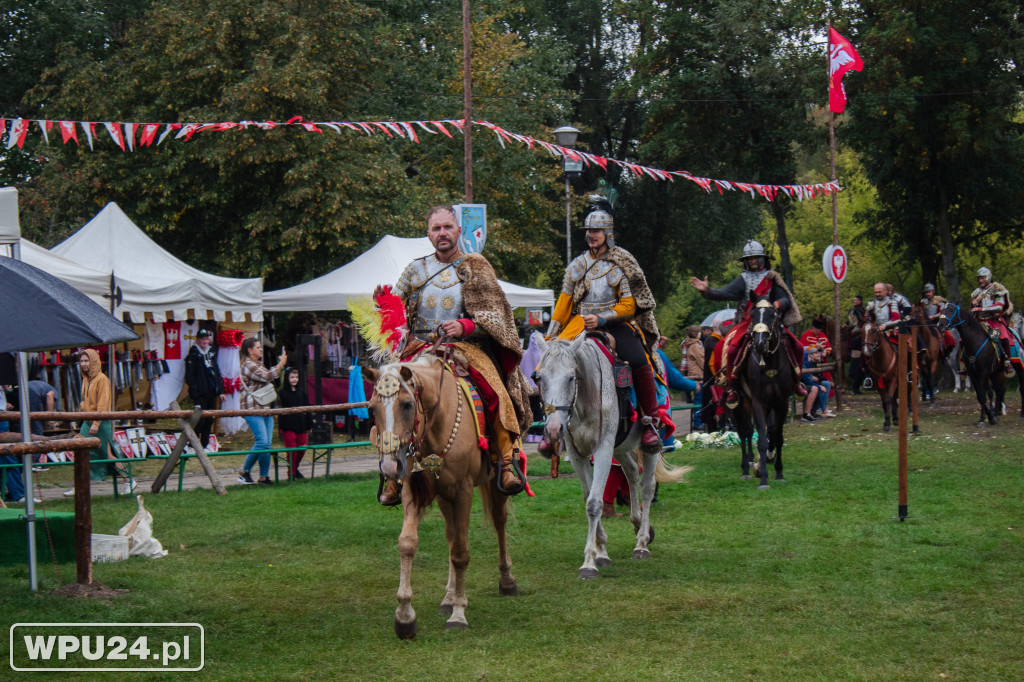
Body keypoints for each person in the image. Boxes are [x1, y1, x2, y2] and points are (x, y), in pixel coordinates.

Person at [377, 204, 532, 505]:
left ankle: (504, 463)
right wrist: (385, 311)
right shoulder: (414, 270)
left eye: (448, 227)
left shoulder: (476, 266)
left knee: (493, 389)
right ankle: (391, 473)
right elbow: (393, 311)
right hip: (416, 349)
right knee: (387, 396)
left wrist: (465, 325)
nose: (442, 233)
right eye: (436, 229)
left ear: (459, 231)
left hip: (464, 348)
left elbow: (498, 316)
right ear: (429, 234)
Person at [545, 196, 663, 452]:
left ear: (607, 232)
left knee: (639, 358)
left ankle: (650, 421)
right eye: (588, 231)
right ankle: (551, 426)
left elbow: (630, 305)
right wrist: (551, 335)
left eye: (596, 231)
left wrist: (602, 318)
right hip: (579, 326)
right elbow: (564, 303)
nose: (591, 235)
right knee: (553, 363)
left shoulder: (622, 262)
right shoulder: (576, 266)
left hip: (616, 326)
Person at [690, 239, 806, 409]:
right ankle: (732, 387)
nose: (752, 261)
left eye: (755, 257)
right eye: (749, 258)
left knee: (797, 346)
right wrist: (707, 290)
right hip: (747, 322)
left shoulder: (772, 277)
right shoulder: (743, 279)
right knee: (728, 348)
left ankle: (796, 382)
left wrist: (778, 305)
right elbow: (725, 293)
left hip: (770, 321)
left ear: (762, 258)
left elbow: (785, 299)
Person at [65, 349, 135, 497]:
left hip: (100, 422)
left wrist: (96, 423)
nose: (83, 364)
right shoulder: (86, 379)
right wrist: (83, 410)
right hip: (87, 420)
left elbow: (103, 404)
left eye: (86, 361)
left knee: (107, 454)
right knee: (80, 451)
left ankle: (128, 480)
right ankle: (79, 485)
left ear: (93, 361)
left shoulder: (102, 379)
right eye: (82, 361)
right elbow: (85, 401)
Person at [239, 337, 287, 486]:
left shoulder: (258, 363)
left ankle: (263, 477)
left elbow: (270, 377)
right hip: (252, 408)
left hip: (264, 406)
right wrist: (281, 364)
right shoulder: (247, 365)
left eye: (261, 347)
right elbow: (267, 376)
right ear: (250, 350)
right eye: (258, 347)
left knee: (267, 444)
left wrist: (279, 367)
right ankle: (244, 471)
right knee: (262, 441)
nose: (261, 349)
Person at [970, 267, 1019, 374]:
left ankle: (1007, 361)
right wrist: (974, 305)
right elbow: (973, 309)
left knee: (1003, 337)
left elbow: (999, 307)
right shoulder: (976, 292)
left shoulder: (997, 289)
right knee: (964, 339)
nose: (980, 280)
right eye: (979, 278)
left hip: (994, 320)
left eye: (982, 278)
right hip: (979, 321)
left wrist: (981, 308)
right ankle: (967, 364)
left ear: (988, 277)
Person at [183, 329, 225, 450]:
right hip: (199, 393)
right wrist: (195, 392)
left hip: (211, 392)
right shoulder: (193, 356)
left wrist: (220, 390)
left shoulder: (211, 354)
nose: (204, 341)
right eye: (201, 339)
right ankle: (193, 444)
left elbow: (216, 373)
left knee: (209, 419)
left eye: (206, 339)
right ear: (197, 340)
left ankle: (205, 444)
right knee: (198, 419)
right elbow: (190, 377)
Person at [277, 367, 312, 479]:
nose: (294, 379)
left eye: (296, 377)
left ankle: (295, 469)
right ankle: (290, 474)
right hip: (288, 426)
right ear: (287, 378)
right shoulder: (282, 393)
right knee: (292, 451)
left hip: (301, 426)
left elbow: (307, 409)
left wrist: (309, 425)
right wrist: (281, 427)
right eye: (292, 377)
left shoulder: (301, 392)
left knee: (302, 449)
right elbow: (279, 411)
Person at [681, 325, 705, 430]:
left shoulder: (691, 344)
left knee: (698, 398)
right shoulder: (695, 345)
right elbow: (701, 360)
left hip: (695, 373)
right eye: (699, 332)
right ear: (696, 334)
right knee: (699, 399)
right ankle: (697, 422)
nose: (701, 334)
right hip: (698, 374)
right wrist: (707, 371)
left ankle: (698, 420)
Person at [802, 346, 835, 420]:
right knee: (819, 387)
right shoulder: (805, 363)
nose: (818, 354)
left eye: (818, 353)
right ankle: (821, 410)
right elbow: (806, 378)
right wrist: (819, 386)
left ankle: (819, 409)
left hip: (812, 383)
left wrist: (826, 380)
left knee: (826, 384)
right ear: (809, 355)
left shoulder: (813, 363)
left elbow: (817, 376)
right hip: (805, 385)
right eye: (815, 353)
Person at [847, 295, 866, 394]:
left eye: (856, 300)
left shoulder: (861, 311)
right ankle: (855, 387)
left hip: (858, 337)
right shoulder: (852, 310)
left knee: (858, 362)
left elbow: (860, 323)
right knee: (855, 362)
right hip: (853, 336)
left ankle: (857, 386)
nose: (854, 301)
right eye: (853, 300)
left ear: (860, 301)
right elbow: (851, 322)